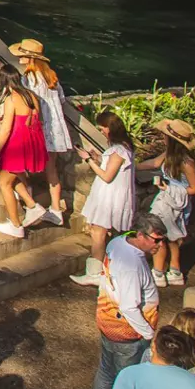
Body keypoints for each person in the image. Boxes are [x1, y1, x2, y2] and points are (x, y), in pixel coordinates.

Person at [83, 214, 166, 389]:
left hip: (107, 322)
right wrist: (148, 334)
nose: (159, 245)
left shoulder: (118, 243)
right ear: (139, 235)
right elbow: (130, 306)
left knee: (105, 376)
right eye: (156, 240)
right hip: (128, 334)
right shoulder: (133, 266)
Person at [9, 39, 73, 227]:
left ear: (29, 58)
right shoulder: (51, 77)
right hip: (56, 131)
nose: (19, 57)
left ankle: (29, 204)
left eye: (22, 54)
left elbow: (27, 103)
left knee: (23, 164)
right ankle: (55, 209)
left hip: (39, 128)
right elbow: (61, 100)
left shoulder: (28, 79)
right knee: (51, 169)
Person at [74, 111, 141, 282]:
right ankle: (104, 270)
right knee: (100, 231)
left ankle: (94, 274)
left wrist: (88, 159)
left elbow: (107, 176)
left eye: (102, 128)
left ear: (109, 128)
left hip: (109, 198)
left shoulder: (118, 151)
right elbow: (111, 168)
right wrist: (98, 158)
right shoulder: (123, 147)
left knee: (98, 233)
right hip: (111, 195)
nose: (101, 131)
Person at [0, 66, 51, 240]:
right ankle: (32, 206)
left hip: (17, 146)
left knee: (4, 183)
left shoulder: (11, 99)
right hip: (31, 143)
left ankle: (16, 224)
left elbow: (6, 130)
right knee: (11, 176)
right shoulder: (31, 95)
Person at [146, 121, 195, 288]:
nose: (163, 137)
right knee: (166, 237)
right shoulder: (169, 155)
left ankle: (161, 272)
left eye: (166, 135)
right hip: (166, 202)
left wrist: (170, 189)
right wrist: (132, 167)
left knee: (165, 237)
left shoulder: (186, 163)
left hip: (176, 204)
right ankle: (172, 272)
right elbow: (154, 164)